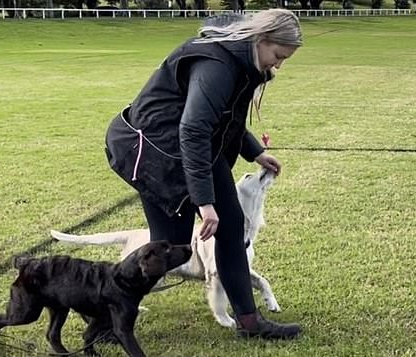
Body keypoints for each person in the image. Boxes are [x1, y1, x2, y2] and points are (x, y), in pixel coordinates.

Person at [104, 9, 302, 340]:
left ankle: (250, 323)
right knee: (170, 247)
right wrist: (204, 201)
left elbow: (224, 118)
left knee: (231, 225)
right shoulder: (217, 65)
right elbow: (194, 128)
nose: (278, 65)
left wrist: (254, 151)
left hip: (193, 149)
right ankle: (107, 314)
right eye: (278, 55)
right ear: (261, 39)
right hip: (157, 152)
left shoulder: (242, 61)